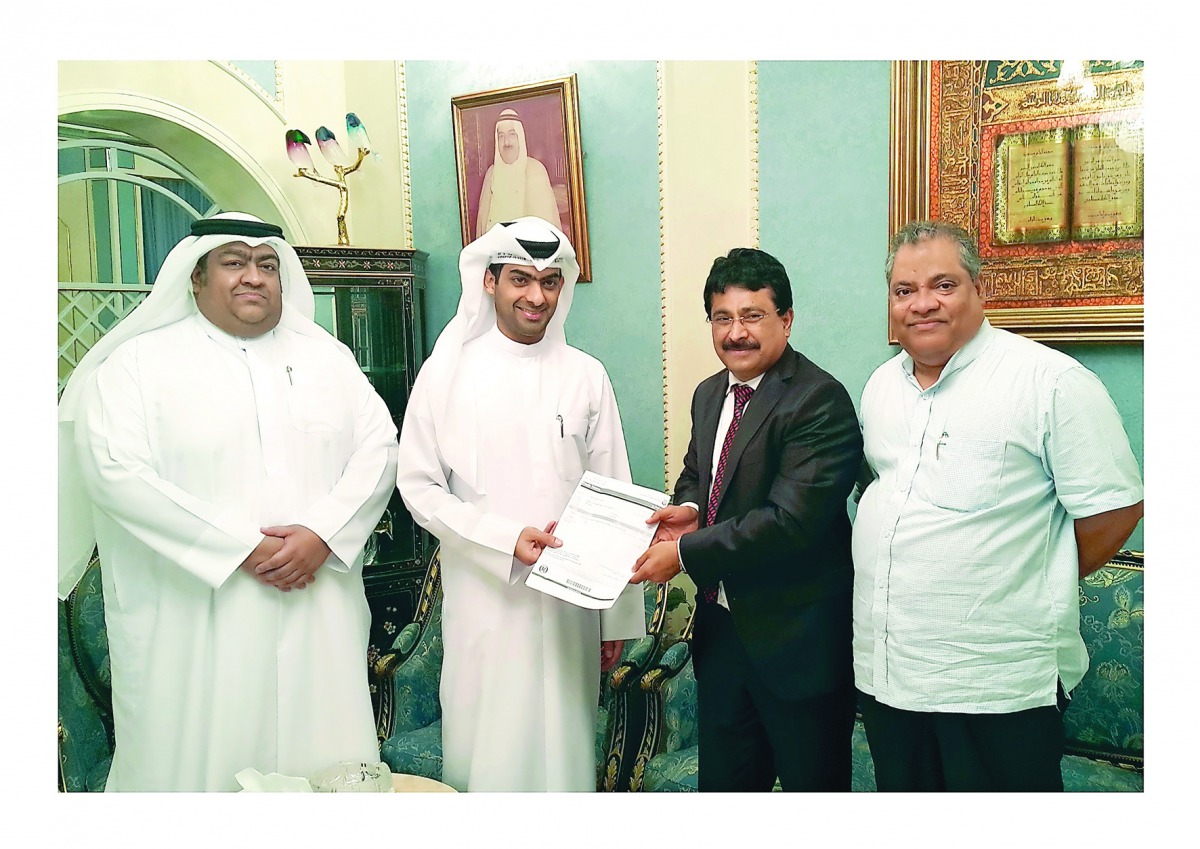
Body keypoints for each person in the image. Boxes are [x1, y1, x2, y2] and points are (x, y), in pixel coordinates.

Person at [58, 212, 398, 791]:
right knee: (196, 770)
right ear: (196, 277)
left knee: (324, 764)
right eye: (234, 262)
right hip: (193, 618)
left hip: (319, 604)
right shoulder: (137, 366)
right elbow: (114, 471)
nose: (253, 277)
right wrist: (240, 547)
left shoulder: (328, 359)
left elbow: (380, 450)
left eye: (267, 265)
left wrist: (321, 534)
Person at [853, 220, 1144, 792]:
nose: (922, 304)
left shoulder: (1050, 382)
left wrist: (1026, 574)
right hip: (891, 673)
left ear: (979, 289)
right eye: (904, 291)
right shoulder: (881, 386)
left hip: (996, 681)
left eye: (943, 284)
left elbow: (1114, 512)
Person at [396, 216, 645, 791]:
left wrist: (616, 616)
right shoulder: (447, 374)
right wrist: (504, 538)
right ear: (490, 283)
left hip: (571, 608)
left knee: (566, 746)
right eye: (520, 280)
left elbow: (615, 491)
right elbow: (418, 486)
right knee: (489, 749)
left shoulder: (587, 375)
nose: (537, 296)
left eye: (550, 282)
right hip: (486, 600)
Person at [630, 247, 863, 791]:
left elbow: (789, 522)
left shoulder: (818, 400)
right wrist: (687, 509)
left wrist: (685, 552)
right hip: (723, 634)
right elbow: (697, 474)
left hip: (798, 642)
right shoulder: (710, 393)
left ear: (786, 320)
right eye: (722, 318)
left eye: (752, 316)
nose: (736, 333)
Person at [475, 108, 563, 238]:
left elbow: (548, 230)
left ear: (520, 138)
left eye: (512, 134)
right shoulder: (491, 174)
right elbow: (482, 230)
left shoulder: (536, 170)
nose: (506, 143)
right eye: (501, 136)